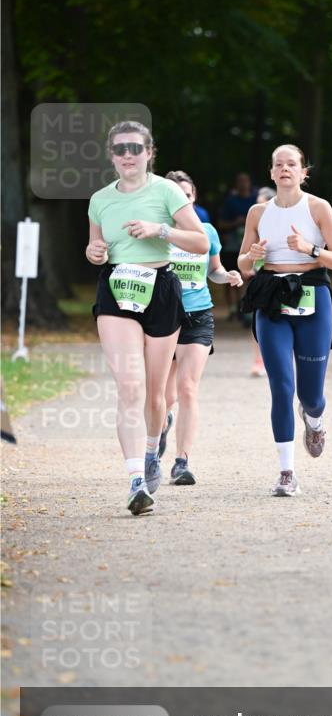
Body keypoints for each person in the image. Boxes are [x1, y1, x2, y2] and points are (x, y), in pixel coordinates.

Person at [86, 121, 208, 515]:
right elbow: (95, 245)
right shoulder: (100, 200)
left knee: (156, 394)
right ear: (111, 156)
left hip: (160, 288)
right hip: (117, 289)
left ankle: (154, 448)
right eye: (120, 149)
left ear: (149, 153)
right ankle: (136, 480)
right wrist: (96, 252)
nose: (127, 155)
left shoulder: (167, 191)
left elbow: (201, 241)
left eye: (135, 148)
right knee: (130, 388)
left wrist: (162, 229)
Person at [238, 144, 332, 496]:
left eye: (292, 164)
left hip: (313, 294)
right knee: (281, 387)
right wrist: (252, 257)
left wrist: (309, 249)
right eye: (278, 164)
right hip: (271, 297)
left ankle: (313, 419)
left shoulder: (318, 208)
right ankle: (287, 472)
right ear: (271, 173)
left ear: (304, 172)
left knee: (310, 393)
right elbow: (243, 264)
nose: (284, 169)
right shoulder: (258, 212)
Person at [158, 171, 242, 484]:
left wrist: (228, 276)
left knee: (188, 388)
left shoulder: (207, 232)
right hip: (164, 318)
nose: (184, 201)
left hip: (199, 315)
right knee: (164, 397)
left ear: (194, 199)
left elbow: (215, 271)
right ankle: (162, 423)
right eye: (176, 196)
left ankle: (182, 462)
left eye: (188, 196)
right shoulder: (159, 232)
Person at [218, 172, 257, 320]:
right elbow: (221, 223)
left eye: (245, 181)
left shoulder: (256, 200)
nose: (242, 184)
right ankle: (233, 309)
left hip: (252, 246)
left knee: (250, 276)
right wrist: (236, 222)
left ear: (249, 183)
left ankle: (246, 308)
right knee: (230, 276)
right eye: (239, 181)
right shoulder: (230, 201)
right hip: (233, 245)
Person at [249, 186, 277, 377]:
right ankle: (259, 360)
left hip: (285, 279)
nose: (258, 206)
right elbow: (247, 254)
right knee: (259, 319)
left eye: (262, 202)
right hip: (261, 278)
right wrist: (250, 267)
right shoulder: (255, 221)